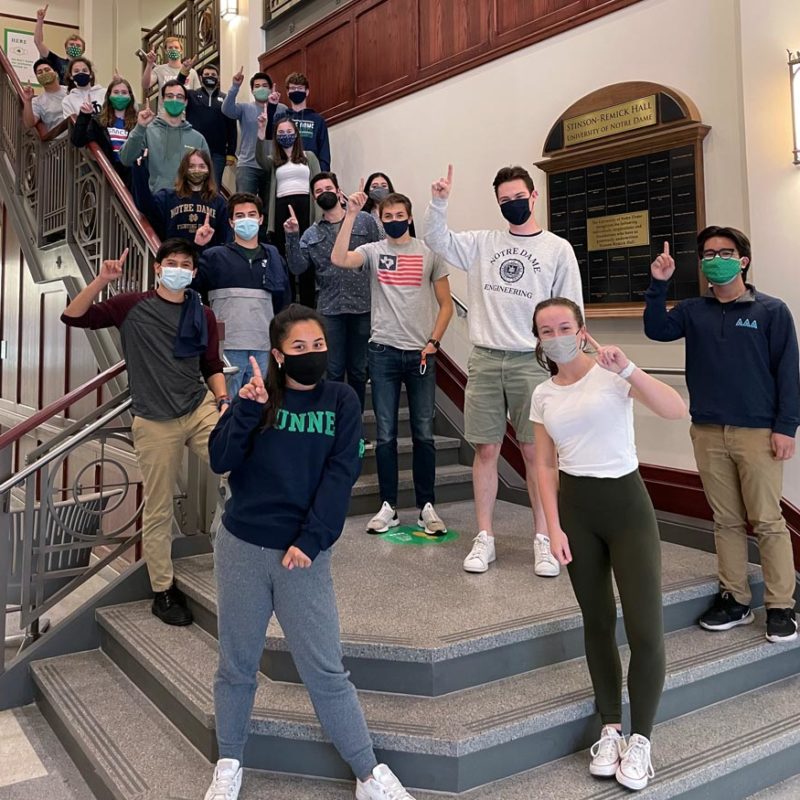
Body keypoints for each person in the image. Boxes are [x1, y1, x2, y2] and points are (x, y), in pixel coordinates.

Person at [205, 304, 417, 800]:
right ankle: (230, 761)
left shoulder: (342, 400)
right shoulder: (257, 396)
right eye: (299, 348)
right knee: (236, 663)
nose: (311, 354)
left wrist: (312, 539)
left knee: (324, 668)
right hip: (242, 547)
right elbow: (220, 459)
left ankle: (367, 772)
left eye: (318, 345)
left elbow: (340, 474)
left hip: (302, 555)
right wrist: (247, 410)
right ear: (277, 355)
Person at [531, 297, 686, 792]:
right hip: (577, 511)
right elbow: (544, 465)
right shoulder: (542, 394)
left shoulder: (610, 372)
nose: (554, 335)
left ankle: (642, 739)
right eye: (544, 329)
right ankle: (612, 727)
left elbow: (674, 408)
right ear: (537, 338)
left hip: (627, 507)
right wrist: (552, 528)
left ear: (581, 330)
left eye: (562, 326)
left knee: (645, 626)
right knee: (596, 621)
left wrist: (630, 369)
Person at [424, 164, 583, 577]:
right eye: (504, 200)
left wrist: (569, 365)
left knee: (535, 452)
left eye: (518, 197)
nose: (512, 204)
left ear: (534, 197)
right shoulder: (482, 243)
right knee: (486, 450)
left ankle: (545, 538)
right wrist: (439, 202)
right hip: (486, 357)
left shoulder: (557, 249)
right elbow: (436, 239)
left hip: (532, 361)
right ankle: (485, 537)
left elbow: (569, 311)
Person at [61, 239, 229, 627]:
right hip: (154, 420)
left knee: (244, 465)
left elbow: (211, 363)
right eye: (171, 263)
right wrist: (101, 279)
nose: (179, 269)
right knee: (158, 506)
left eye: (186, 264)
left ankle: (234, 549)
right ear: (157, 269)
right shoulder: (131, 306)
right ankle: (162, 589)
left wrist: (223, 400)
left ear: (193, 273)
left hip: (198, 406)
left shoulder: (201, 313)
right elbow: (74, 317)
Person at [644, 230, 799, 643]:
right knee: (726, 520)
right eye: (709, 254)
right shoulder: (694, 310)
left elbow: (788, 373)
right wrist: (659, 284)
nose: (717, 259)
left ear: (744, 260)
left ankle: (782, 605)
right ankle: (734, 598)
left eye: (726, 253)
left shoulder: (771, 311)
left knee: (768, 520)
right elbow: (656, 329)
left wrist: (786, 428)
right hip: (708, 429)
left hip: (758, 432)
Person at [332, 187, 453, 535]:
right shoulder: (372, 251)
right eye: (389, 217)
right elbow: (339, 259)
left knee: (424, 434)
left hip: (421, 354)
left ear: (410, 217)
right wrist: (351, 214)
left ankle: (426, 506)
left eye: (401, 216)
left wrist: (434, 341)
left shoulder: (429, 253)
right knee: (385, 436)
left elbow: (445, 303)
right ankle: (389, 507)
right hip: (382, 351)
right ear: (381, 220)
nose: (395, 222)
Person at [285, 172, 381, 412]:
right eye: (318, 191)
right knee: (333, 369)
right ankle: (335, 421)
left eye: (328, 188)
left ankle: (355, 424)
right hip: (329, 308)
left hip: (363, 306)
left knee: (359, 369)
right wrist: (292, 235)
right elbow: (297, 267)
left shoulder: (365, 221)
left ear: (339, 191)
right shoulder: (311, 234)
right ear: (314, 198)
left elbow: (383, 251)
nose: (324, 193)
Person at [193, 193, 290, 396]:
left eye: (252, 214)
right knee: (226, 404)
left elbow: (283, 302)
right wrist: (197, 247)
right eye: (240, 215)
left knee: (261, 406)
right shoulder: (213, 256)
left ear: (261, 219)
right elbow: (192, 288)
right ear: (231, 222)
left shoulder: (273, 258)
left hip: (264, 345)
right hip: (226, 347)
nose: (246, 219)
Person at [256, 115, 321, 306]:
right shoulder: (274, 160)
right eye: (281, 133)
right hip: (282, 209)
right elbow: (259, 158)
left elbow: (318, 185)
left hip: (305, 208)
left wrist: (318, 217)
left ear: (296, 134)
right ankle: (289, 303)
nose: (285, 135)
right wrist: (261, 131)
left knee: (306, 254)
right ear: (276, 137)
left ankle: (309, 304)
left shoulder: (310, 157)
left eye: (289, 132)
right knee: (285, 257)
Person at [119, 80, 209, 194]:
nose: (174, 100)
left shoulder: (198, 139)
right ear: (163, 100)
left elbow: (207, 175)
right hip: (157, 202)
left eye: (179, 97)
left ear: (185, 102)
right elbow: (126, 159)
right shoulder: (148, 131)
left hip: (188, 204)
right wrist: (140, 127)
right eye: (170, 96)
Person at [222, 67, 288, 196]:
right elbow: (226, 110)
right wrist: (235, 86)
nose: (261, 88)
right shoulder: (245, 108)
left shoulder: (282, 109)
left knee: (270, 209)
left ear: (271, 89)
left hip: (273, 165)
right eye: (257, 86)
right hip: (248, 165)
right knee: (244, 202)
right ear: (252, 90)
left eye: (264, 85)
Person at [149, 149, 230, 251]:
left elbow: (224, 236)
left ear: (209, 170)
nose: (197, 170)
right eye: (191, 166)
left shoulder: (219, 201)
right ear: (183, 169)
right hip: (175, 257)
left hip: (207, 260)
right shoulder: (166, 197)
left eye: (202, 166)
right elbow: (146, 207)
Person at [176, 62, 237, 188]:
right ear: (200, 78)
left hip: (218, 153)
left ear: (218, 78)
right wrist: (184, 72)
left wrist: (231, 152)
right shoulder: (191, 95)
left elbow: (232, 126)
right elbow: (176, 88)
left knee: (214, 187)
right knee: (191, 184)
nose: (210, 76)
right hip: (193, 149)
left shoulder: (226, 98)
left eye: (213, 74)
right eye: (207, 74)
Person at [71, 77, 138, 185]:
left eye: (124, 92)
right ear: (109, 96)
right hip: (105, 174)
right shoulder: (98, 121)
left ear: (130, 97)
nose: (120, 96)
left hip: (131, 175)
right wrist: (84, 115)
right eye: (116, 92)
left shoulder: (137, 123)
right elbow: (78, 140)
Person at [273, 71, 330, 171]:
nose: (296, 91)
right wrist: (271, 107)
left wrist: (323, 175)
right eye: (293, 88)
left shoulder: (318, 120)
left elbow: (324, 152)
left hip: (311, 169)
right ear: (287, 93)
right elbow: (268, 137)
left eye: (299, 88)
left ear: (307, 91)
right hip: (285, 168)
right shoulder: (281, 118)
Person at [33, 4, 86, 83]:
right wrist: (40, 20)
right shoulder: (58, 61)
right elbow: (38, 42)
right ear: (66, 48)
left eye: (78, 45)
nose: (74, 47)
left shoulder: (87, 68)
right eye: (71, 45)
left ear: (83, 50)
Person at [362, 172, 415, 238]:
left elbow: (411, 234)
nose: (379, 189)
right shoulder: (364, 213)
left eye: (384, 186)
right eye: (374, 186)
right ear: (368, 190)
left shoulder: (401, 207)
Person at [21, 59, 66, 134]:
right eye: (40, 72)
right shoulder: (37, 101)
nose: (44, 73)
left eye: (47, 70)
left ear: (56, 73)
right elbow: (29, 124)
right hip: (59, 142)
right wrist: (27, 101)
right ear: (37, 78)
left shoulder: (71, 91)